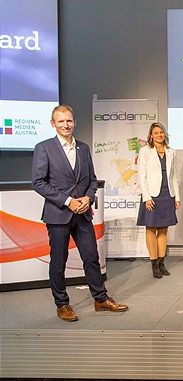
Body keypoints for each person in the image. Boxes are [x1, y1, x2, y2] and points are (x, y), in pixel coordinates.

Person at [31, 104, 129, 322]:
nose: (66, 125)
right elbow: (38, 182)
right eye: (61, 121)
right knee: (59, 261)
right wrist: (68, 201)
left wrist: (88, 198)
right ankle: (62, 304)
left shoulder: (83, 148)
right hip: (58, 215)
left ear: (74, 122)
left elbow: (92, 180)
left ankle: (100, 299)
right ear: (53, 124)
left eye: (69, 121)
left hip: (83, 214)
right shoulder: (44, 148)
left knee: (91, 257)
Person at [136, 122, 181, 278]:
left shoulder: (171, 152)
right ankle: (154, 263)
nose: (159, 135)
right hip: (152, 195)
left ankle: (162, 263)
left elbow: (174, 176)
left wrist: (177, 196)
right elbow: (141, 176)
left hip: (167, 194)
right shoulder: (145, 151)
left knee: (163, 229)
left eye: (161, 132)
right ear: (151, 135)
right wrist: (146, 197)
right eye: (156, 133)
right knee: (150, 229)